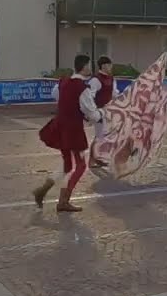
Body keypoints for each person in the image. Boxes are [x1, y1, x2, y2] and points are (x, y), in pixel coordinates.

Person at [34, 54, 104, 213]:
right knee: (80, 166)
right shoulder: (82, 88)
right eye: (89, 65)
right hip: (72, 130)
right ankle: (63, 200)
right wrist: (103, 114)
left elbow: (56, 96)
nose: (90, 68)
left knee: (68, 165)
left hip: (60, 126)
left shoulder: (63, 82)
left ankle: (43, 190)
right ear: (85, 67)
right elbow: (92, 114)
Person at [86, 55, 115, 168]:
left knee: (105, 135)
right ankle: (92, 160)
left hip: (108, 111)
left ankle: (98, 157)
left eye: (110, 64)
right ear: (103, 66)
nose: (110, 67)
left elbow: (114, 93)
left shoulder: (111, 78)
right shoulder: (96, 79)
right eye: (108, 65)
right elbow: (90, 95)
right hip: (99, 111)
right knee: (99, 135)